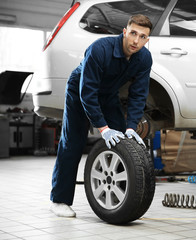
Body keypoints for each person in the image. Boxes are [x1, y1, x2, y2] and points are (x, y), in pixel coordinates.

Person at [50, 14, 153, 217]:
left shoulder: (144, 58)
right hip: (79, 90)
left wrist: (131, 126)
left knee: (122, 139)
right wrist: (103, 128)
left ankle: (118, 198)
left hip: (108, 94)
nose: (136, 41)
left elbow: (138, 95)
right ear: (124, 32)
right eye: (133, 33)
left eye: (142, 37)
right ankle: (59, 200)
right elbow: (87, 93)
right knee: (72, 143)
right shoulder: (100, 49)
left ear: (147, 40)